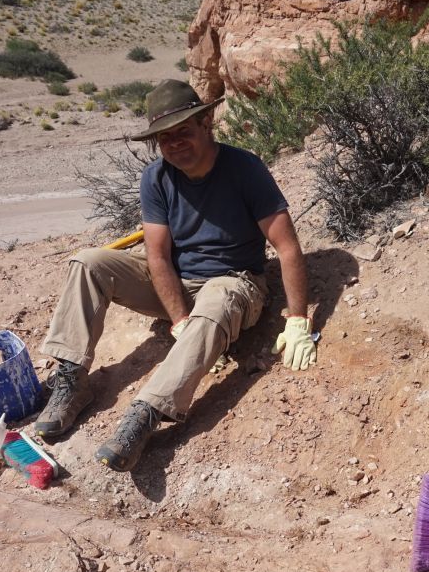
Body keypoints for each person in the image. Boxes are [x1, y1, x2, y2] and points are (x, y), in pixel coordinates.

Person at [35, 79, 317, 472]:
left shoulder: (244, 168)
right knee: (87, 262)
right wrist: (181, 320)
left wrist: (299, 319)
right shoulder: (156, 178)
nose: (175, 144)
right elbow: (157, 255)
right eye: (164, 138)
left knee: (216, 302)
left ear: (206, 123)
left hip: (235, 281)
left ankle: (146, 414)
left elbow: (287, 247)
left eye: (184, 131)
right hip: (179, 283)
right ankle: (72, 377)